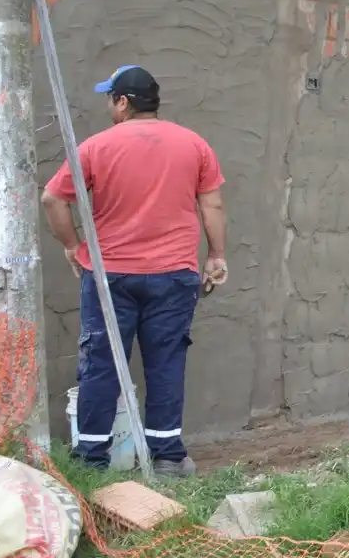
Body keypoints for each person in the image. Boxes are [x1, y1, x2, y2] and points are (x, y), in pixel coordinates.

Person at [41, 65, 227, 478]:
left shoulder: (95, 147)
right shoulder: (194, 144)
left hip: (111, 276)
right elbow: (211, 205)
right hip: (173, 275)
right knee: (166, 362)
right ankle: (168, 458)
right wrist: (216, 255)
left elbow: (53, 199)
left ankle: (90, 462)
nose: (109, 105)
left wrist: (73, 247)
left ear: (123, 102)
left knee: (102, 363)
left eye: (110, 98)